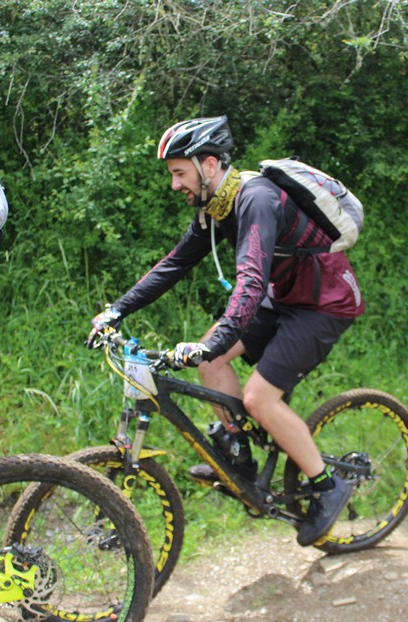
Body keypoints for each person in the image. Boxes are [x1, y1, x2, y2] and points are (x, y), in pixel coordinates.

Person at [87, 116, 365, 546]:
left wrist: (215, 341)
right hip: (281, 296)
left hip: (322, 303)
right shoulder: (216, 207)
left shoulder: (256, 199)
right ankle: (242, 454)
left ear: (210, 164)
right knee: (211, 363)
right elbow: (175, 263)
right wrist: (116, 311)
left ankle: (327, 487)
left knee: (258, 397)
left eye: (180, 173)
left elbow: (250, 280)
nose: (175, 184)